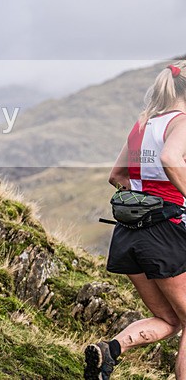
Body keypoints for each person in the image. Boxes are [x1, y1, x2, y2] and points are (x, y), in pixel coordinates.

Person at [85, 61, 186, 380]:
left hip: (129, 234)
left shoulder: (142, 124)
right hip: (165, 233)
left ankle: (110, 351)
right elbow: (170, 158)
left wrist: (144, 197)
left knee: (170, 321)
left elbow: (116, 176)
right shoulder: (181, 122)